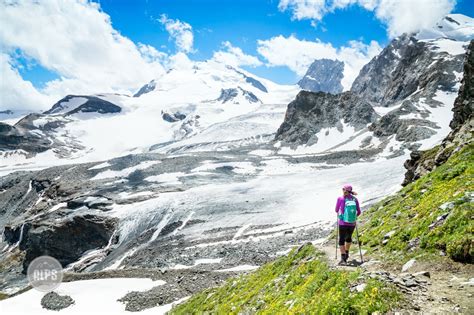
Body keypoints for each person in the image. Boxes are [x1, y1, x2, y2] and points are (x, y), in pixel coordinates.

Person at [335, 184, 361, 264]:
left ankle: (343, 258)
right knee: (348, 238)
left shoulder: (340, 198)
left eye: (343, 189)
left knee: (341, 240)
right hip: (352, 223)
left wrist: (341, 214)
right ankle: (347, 252)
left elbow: (336, 210)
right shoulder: (355, 199)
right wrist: (353, 218)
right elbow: (359, 212)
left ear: (345, 190)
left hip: (342, 223)